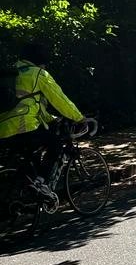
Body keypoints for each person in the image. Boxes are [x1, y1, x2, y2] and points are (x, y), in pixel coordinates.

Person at [0, 42, 86, 195]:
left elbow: (30, 105)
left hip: (3, 128)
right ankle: (42, 184)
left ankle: (26, 196)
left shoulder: (11, 73)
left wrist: (52, 119)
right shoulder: (37, 74)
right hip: (23, 126)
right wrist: (79, 118)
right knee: (56, 145)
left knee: (30, 161)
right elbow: (60, 99)